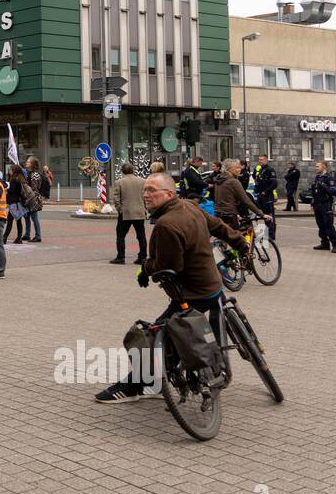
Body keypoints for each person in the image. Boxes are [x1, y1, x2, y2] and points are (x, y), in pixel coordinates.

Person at [95, 172, 247, 403]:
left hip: (191, 294)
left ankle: (136, 385)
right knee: (173, 335)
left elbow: (168, 267)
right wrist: (239, 242)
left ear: (169, 193)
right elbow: (218, 226)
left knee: (155, 338)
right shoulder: (190, 206)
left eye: (152, 190)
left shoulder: (166, 225)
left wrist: (145, 269)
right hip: (213, 286)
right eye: (145, 190)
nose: (146, 195)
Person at [213, 159, 268, 233]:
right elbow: (246, 200)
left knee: (223, 237)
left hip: (218, 213)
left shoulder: (218, 180)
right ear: (229, 169)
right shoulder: (234, 181)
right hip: (230, 214)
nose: (239, 169)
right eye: (237, 167)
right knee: (238, 239)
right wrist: (261, 214)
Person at [111, 161, 148, 265]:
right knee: (141, 236)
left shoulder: (120, 182)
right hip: (139, 212)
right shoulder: (142, 181)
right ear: (133, 170)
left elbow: (116, 198)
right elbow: (146, 196)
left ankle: (121, 257)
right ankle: (143, 257)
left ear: (122, 171)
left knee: (121, 235)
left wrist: (120, 209)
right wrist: (145, 208)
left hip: (125, 213)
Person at [309, 159, 336, 253]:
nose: (316, 168)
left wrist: (323, 185)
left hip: (326, 204)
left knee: (328, 225)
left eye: (317, 166)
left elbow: (332, 191)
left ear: (324, 167)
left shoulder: (329, 178)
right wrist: (312, 202)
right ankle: (324, 243)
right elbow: (314, 191)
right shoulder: (317, 177)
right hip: (317, 204)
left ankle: (335, 245)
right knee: (320, 225)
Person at [252, 154, 278, 240]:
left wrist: (265, 192)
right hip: (260, 196)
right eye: (259, 160)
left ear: (266, 160)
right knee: (264, 215)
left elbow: (274, 183)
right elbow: (257, 180)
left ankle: (271, 234)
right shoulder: (261, 170)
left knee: (270, 215)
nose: (260, 161)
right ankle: (267, 233)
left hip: (267, 196)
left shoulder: (270, 170)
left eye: (262, 159)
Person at [3, 165, 27, 245]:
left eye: (11, 169)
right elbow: (19, 191)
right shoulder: (20, 179)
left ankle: (4, 238)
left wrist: (6, 189)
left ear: (14, 170)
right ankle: (19, 238)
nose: (10, 170)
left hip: (13, 203)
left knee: (10, 221)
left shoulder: (13, 179)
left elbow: (12, 190)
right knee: (18, 221)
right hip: (17, 202)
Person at [24, 157, 46, 243]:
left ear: (33, 164)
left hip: (34, 198)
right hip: (30, 197)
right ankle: (27, 234)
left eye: (28, 162)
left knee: (34, 217)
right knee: (27, 217)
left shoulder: (35, 175)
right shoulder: (29, 173)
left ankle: (38, 236)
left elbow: (34, 188)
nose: (26, 163)